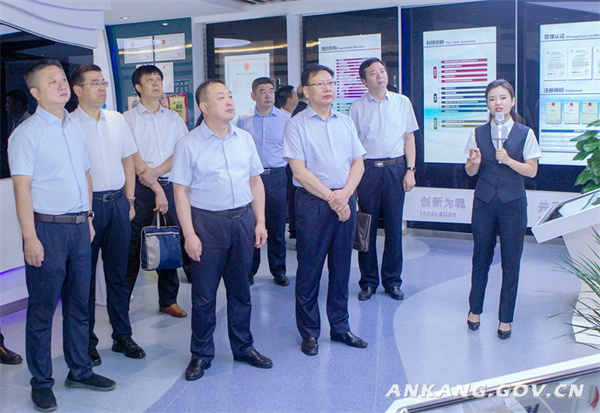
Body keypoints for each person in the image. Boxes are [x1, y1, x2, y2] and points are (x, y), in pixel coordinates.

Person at [9, 59, 116, 412]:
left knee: (79, 306)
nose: (61, 85)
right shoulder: (26, 134)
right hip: (47, 230)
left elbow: (85, 174)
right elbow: (22, 189)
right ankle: (41, 382)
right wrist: (30, 237)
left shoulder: (73, 126)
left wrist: (88, 217)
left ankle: (80, 370)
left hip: (79, 227)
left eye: (62, 79)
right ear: (35, 93)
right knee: (42, 312)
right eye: (52, 81)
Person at [171, 80, 273, 381]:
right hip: (207, 225)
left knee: (241, 291)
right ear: (203, 107)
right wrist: (189, 234)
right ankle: (201, 354)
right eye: (220, 97)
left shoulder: (244, 138)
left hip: (242, 221)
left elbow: (255, 181)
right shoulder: (188, 144)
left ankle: (243, 347)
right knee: (204, 295)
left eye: (230, 95)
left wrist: (260, 221)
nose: (229, 101)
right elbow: (180, 192)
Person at [283, 65, 367, 356]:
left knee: (342, 269)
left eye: (330, 82)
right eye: (320, 84)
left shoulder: (345, 121)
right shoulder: (296, 125)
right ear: (306, 91)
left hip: (344, 200)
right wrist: (334, 198)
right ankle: (309, 332)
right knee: (309, 270)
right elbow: (299, 171)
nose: (327, 88)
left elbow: (358, 163)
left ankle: (341, 327)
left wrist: (344, 196)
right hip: (313, 204)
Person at [70, 64, 146, 366]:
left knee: (118, 274)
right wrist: (86, 211)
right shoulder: (68, 124)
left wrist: (130, 200)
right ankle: (87, 342)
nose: (101, 88)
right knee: (84, 279)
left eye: (103, 82)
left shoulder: (117, 120)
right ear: (77, 90)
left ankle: (122, 336)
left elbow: (128, 161)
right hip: (87, 209)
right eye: (94, 83)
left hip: (117, 203)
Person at [464, 79, 541, 340]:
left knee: (511, 262)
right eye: (492, 99)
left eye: (503, 97)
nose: (498, 103)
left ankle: (505, 318)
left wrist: (508, 160)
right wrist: (474, 162)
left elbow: (532, 170)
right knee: (480, 259)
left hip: (513, 204)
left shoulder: (525, 133)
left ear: (512, 101)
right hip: (484, 203)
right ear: (487, 104)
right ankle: (474, 310)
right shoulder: (478, 133)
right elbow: (470, 171)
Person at [348, 58, 419, 301]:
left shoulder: (402, 102)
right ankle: (368, 282)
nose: (380, 76)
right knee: (366, 228)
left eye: (382, 71)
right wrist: (353, 181)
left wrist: (410, 170)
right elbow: (352, 147)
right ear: (364, 80)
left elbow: (409, 138)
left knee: (394, 228)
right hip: (367, 171)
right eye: (373, 73)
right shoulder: (356, 108)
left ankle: (392, 281)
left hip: (395, 169)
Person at [123, 65, 190, 318]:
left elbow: (181, 151)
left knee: (170, 240)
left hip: (170, 184)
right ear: (138, 87)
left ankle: (168, 300)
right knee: (132, 244)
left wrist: (157, 174)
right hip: (139, 187)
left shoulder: (173, 118)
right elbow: (131, 156)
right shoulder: (127, 119)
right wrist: (153, 184)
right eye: (150, 80)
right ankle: (123, 301)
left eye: (158, 79)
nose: (156, 84)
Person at [236, 77, 290, 287]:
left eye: (271, 91)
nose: (268, 95)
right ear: (253, 96)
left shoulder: (285, 118)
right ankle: (250, 270)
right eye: (262, 91)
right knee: (252, 225)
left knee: (277, 225)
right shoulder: (244, 119)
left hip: (276, 176)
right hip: (251, 178)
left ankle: (279, 270)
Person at [3, 90, 32, 177]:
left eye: (8, 102)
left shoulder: (30, 124)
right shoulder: (15, 122)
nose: (6, 106)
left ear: (18, 105)